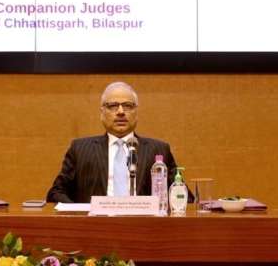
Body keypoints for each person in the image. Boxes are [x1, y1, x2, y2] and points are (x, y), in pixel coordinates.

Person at [47, 81, 182, 203]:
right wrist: (81, 214)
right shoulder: (80, 149)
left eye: (128, 106)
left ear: (136, 112)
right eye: (113, 106)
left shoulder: (159, 150)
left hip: (143, 221)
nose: (120, 112)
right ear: (102, 112)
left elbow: (181, 195)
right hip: (95, 221)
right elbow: (56, 193)